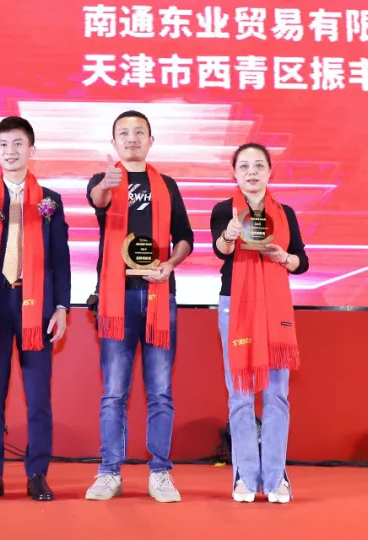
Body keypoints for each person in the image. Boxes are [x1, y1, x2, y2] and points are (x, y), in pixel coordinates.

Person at [0, 116, 71, 502]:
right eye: (3, 144)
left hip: (37, 308)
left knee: (38, 399)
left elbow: (61, 257)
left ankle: (37, 474)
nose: (11, 151)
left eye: (18, 144)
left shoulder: (50, 200)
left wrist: (61, 306)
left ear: (31, 149)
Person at [85, 110, 194, 503]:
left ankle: (160, 472)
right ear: (114, 142)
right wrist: (105, 186)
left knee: (160, 391)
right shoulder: (104, 180)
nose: (132, 138)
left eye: (139, 132)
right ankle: (109, 472)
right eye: (124, 133)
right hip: (116, 298)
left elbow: (185, 237)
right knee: (114, 392)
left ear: (151, 140)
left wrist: (170, 264)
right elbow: (97, 200)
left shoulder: (167, 185)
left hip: (159, 297)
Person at [210, 142, 309, 504]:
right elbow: (219, 250)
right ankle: (245, 476)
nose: (251, 172)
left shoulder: (285, 213)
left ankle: (276, 476)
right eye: (244, 166)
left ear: (269, 172)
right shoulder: (224, 210)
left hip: (274, 306)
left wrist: (284, 257)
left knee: (276, 394)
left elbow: (302, 261)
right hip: (235, 305)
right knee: (240, 393)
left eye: (258, 166)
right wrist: (229, 235)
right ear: (235, 173)